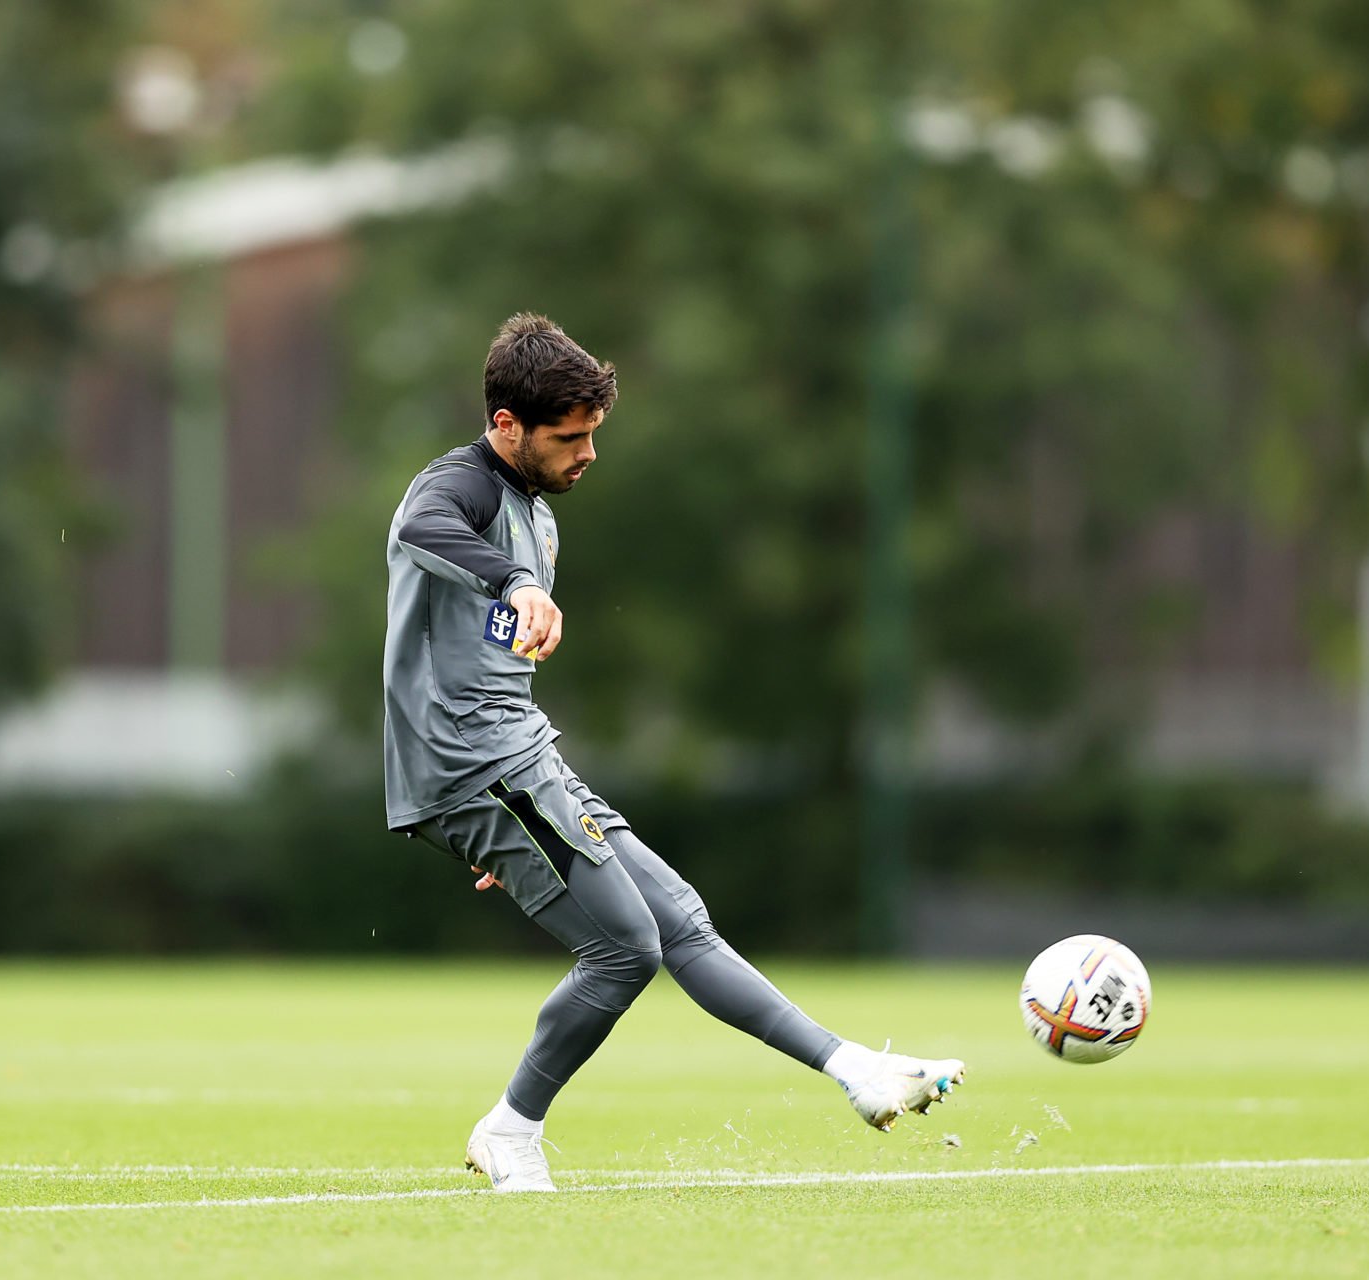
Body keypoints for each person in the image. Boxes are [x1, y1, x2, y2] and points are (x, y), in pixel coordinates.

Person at [382, 313, 963, 1192]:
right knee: (625, 949)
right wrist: (518, 582)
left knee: (679, 920)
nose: (586, 454)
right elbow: (419, 529)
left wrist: (516, 842)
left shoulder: (534, 513)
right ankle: (510, 1130)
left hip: (515, 762)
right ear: (507, 426)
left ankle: (856, 1069)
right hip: (476, 768)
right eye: (568, 437)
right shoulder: (455, 488)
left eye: (592, 435)